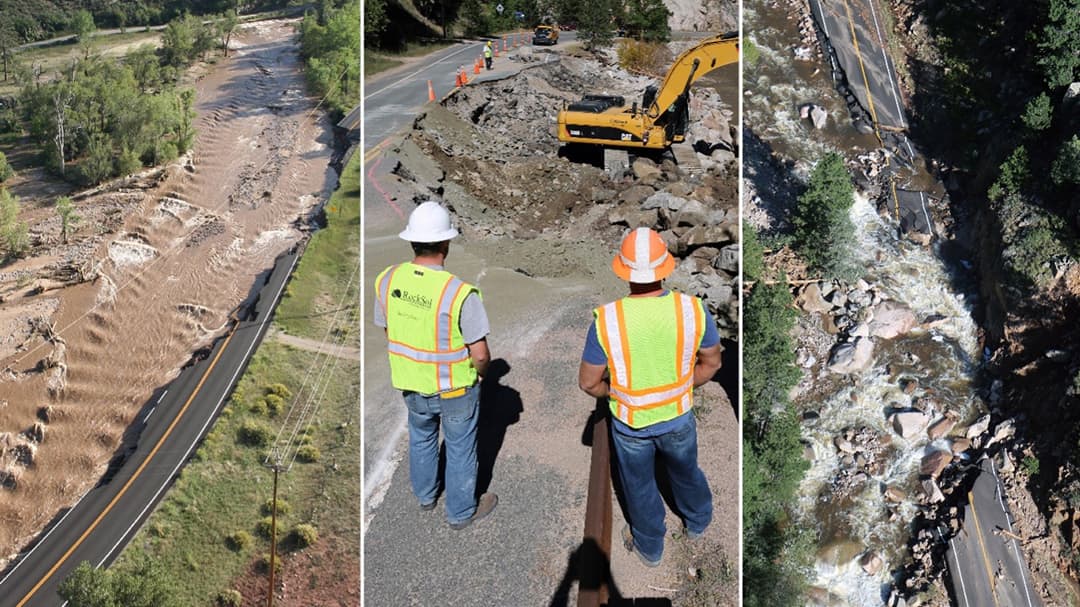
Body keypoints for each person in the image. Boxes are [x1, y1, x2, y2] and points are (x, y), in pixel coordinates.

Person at [578, 227, 722, 566]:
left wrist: (612, 393)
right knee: (686, 471)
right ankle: (698, 522)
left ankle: (651, 547)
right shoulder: (693, 310)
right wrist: (684, 387)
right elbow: (712, 362)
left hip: (631, 424)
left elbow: (588, 382)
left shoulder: (607, 320)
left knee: (639, 485)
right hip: (678, 416)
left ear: (623, 270)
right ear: (665, 268)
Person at [374, 201, 498, 530]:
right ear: (446, 243)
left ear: (411, 241)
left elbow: (390, 331)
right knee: (460, 448)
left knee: (422, 437)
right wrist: (481, 376)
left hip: (411, 383)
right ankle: (460, 513)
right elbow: (481, 354)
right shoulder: (459, 293)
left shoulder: (387, 281)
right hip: (456, 388)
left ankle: (426, 496)